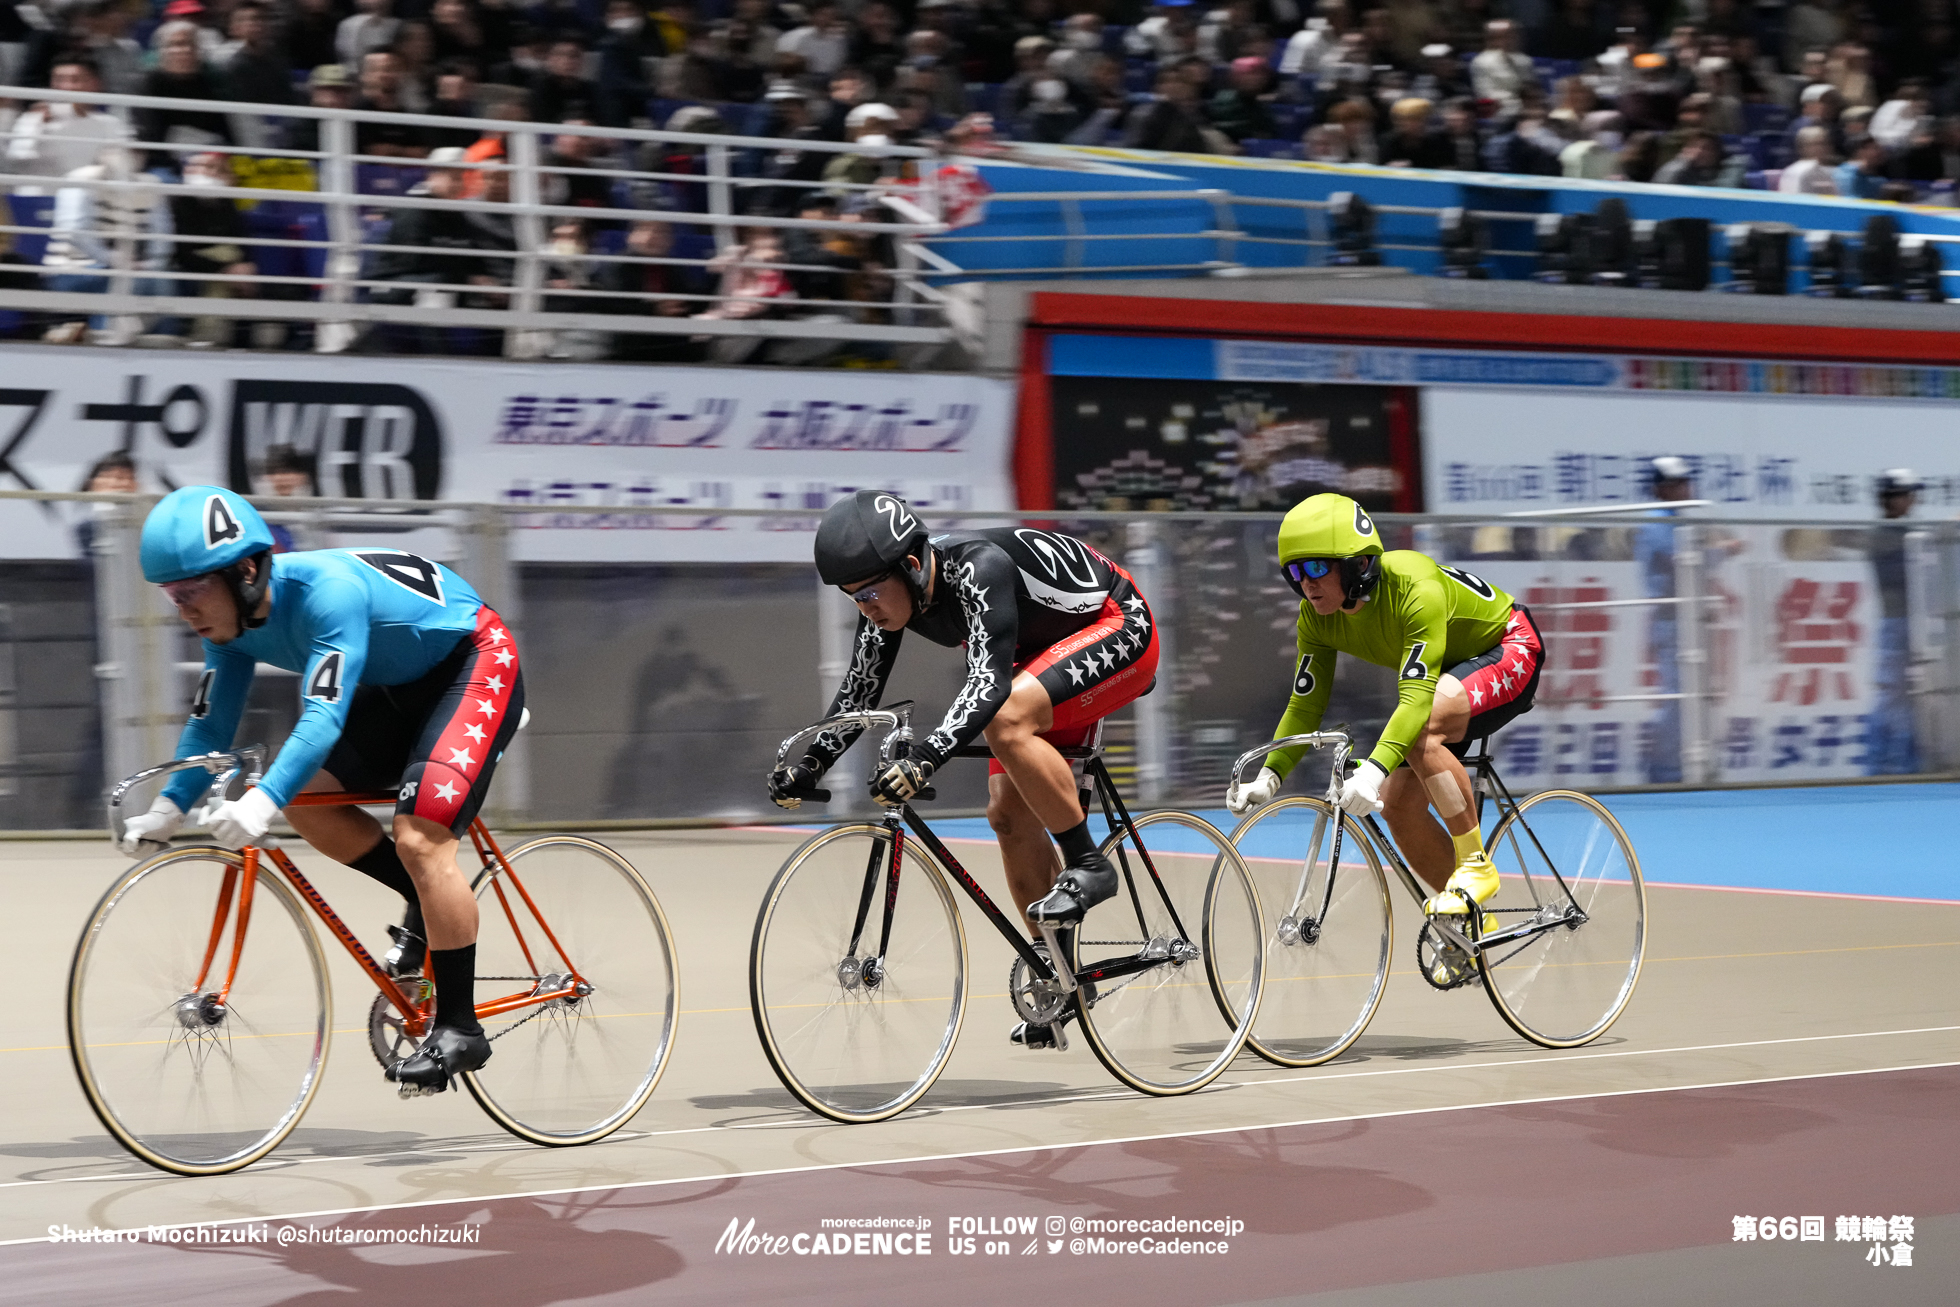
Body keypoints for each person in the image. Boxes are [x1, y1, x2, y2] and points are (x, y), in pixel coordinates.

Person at [117, 487, 524, 1093]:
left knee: (419, 839)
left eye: (194, 591)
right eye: (173, 596)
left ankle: (461, 1029)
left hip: (474, 663)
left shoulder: (326, 594)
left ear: (246, 570)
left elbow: (323, 715)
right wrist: (170, 805)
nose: (184, 610)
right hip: (398, 684)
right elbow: (211, 725)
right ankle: (426, 900)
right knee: (311, 806)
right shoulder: (229, 626)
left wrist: (260, 801)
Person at [769, 491, 1160, 1049]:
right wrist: (810, 764)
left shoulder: (979, 568)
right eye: (853, 598)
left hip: (1118, 624)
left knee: (1004, 720)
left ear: (910, 564)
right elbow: (859, 694)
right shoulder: (889, 597)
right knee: (1006, 815)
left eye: (872, 592)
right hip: (1043, 651)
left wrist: (926, 758)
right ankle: (1064, 980)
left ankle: (1090, 864)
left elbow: (987, 684)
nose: (866, 608)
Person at [1226, 493, 1543, 937]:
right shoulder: (1315, 618)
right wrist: (1270, 776)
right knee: (1397, 809)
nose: (1307, 585)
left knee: (1419, 730)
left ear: (1357, 564)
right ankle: (1473, 925)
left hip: (1509, 647)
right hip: (1449, 674)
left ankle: (1476, 865)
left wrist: (1373, 771)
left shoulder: (1414, 587)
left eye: (1317, 567)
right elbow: (1305, 704)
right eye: (1295, 573)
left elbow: (1415, 703)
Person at [1866, 469, 1921, 775]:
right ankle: (1878, 763)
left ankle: (1907, 762)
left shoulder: (1905, 532)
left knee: (1913, 696)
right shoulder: (1884, 535)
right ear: (1891, 498)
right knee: (1891, 695)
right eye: (1907, 494)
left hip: (1915, 623)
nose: (1912, 500)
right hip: (1896, 623)